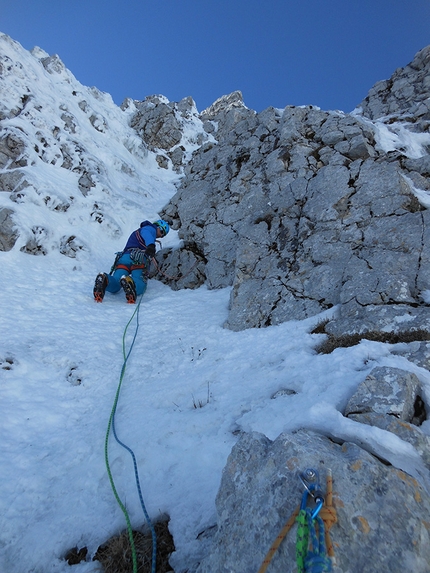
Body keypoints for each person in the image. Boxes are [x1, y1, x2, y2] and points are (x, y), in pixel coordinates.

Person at [93, 219, 170, 304]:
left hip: (124, 257)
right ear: (158, 227)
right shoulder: (150, 229)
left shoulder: (139, 232)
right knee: (140, 282)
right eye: (162, 232)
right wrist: (151, 245)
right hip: (138, 259)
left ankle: (105, 279)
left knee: (116, 281)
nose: (160, 236)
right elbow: (146, 233)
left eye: (163, 236)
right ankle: (131, 282)